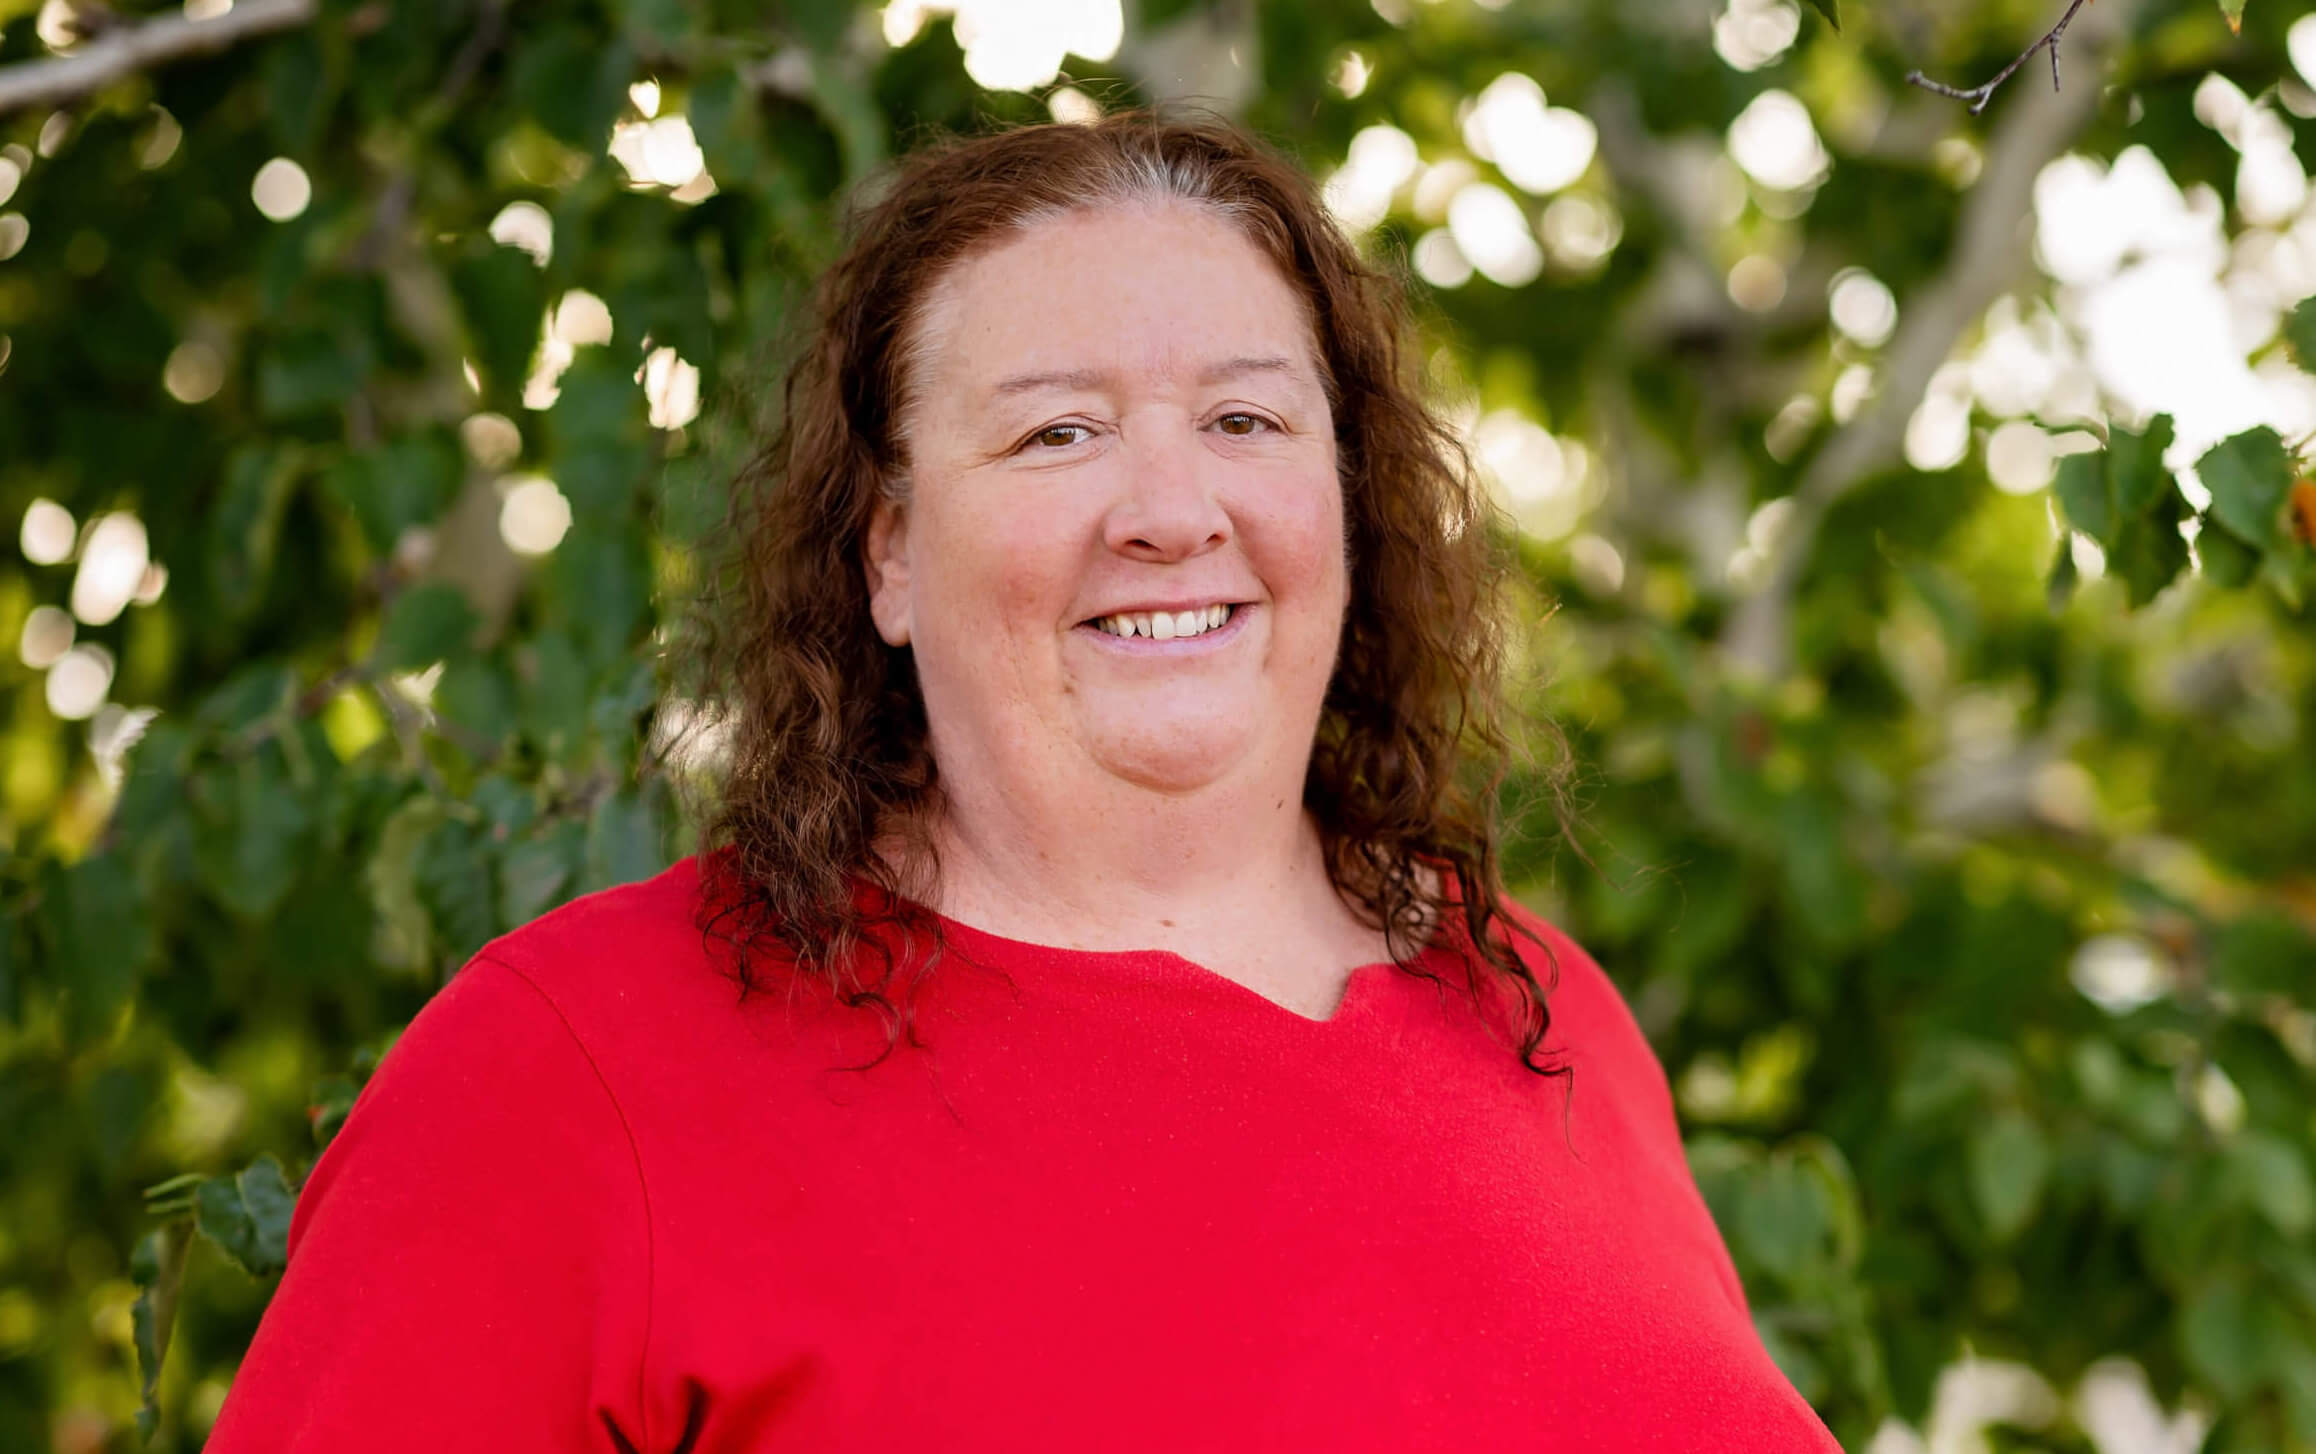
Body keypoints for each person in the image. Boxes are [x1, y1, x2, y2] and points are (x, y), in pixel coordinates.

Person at [205, 110, 1844, 1451]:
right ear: (891, 555)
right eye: (1059, 434)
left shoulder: (1537, 1012)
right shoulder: (577, 1070)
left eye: (1248, 418)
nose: (1171, 506)